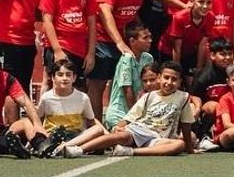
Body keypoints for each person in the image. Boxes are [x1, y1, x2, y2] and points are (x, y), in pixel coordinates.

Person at [59, 62, 196, 157]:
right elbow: (130, 117)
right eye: (166, 78)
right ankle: (79, 149)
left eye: (174, 80)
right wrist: (120, 126)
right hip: (141, 129)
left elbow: (186, 126)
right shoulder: (149, 96)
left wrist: (190, 150)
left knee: (179, 145)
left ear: (179, 82)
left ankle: (129, 152)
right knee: (122, 136)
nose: (169, 82)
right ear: (159, 78)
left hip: (158, 138)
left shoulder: (183, 98)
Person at [28, 59, 98, 157]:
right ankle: (53, 147)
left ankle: (62, 147)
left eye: (68, 75)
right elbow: (39, 120)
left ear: (74, 78)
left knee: (97, 129)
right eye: (60, 75)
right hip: (52, 134)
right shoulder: (46, 97)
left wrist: (104, 133)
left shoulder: (83, 98)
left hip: (75, 136)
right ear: (53, 78)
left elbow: (91, 121)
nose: (64, 78)